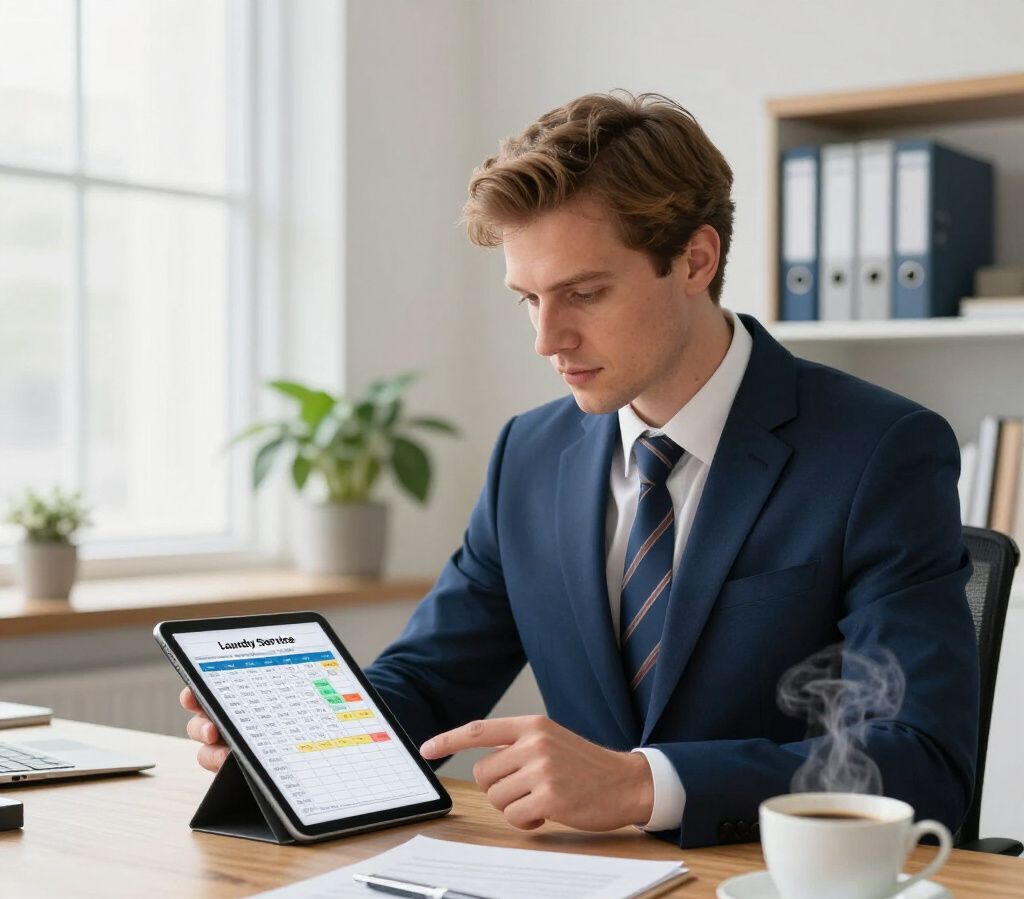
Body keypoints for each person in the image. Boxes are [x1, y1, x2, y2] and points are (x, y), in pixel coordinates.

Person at [182, 92, 979, 848]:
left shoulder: (880, 450)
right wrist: (290, 740)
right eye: (527, 299)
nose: (547, 338)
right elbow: (428, 683)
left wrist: (644, 785)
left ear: (696, 259)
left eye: (584, 293)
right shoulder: (528, 456)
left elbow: (922, 762)